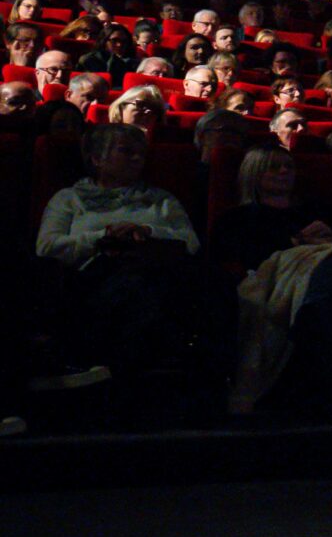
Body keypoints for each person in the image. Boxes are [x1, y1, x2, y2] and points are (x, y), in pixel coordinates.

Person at [35, 122, 233, 409]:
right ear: (96, 158)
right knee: (138, 285)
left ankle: (218, 382)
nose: (137, 159)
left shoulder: (160, 199)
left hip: (160, 268)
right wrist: (105, 235)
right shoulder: (69, 198)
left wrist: (149, 232)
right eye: (126, 151)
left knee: (212, 280)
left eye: (141, 153)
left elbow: (190, 242)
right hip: (95, 275)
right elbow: (48, 247)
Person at [211, 149, 332, 421]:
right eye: (274, 167)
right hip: (279, 275)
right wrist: (296, 243)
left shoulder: (318, 210)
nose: (284, 172)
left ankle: (314, 314)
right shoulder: (237, 217)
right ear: (253, 174)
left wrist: (331, 239)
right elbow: (233, 253)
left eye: (288, 166)